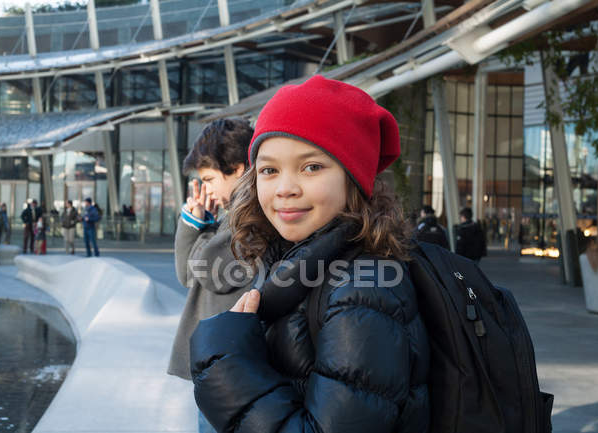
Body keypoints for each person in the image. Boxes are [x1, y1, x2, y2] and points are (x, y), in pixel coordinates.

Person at [189, 76, 429, 432]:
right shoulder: (292, 260)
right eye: (270, 170)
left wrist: (232, 371)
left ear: (354, 178)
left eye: (311, 166)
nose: (285, 188)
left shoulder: (363, 292)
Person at [167, 118, 254, 433]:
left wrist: (202, 226)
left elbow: (207, 269)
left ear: (238, 168)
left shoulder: (250, 217)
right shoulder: (233, 215)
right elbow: (187, 275)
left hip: (229, 371)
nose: (207, 190)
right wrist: (195, 223)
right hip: (220, 365)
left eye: (209, 178)